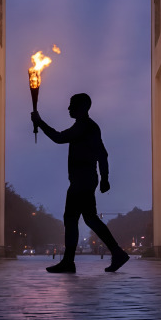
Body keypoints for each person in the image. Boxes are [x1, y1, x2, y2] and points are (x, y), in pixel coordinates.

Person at [32, 92, 129, 273]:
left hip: (81, 181)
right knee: (90, 219)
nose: (68, 108)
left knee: (71, 219)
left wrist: (40, 122)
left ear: (82, 108)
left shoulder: (84, 127)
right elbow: (103, 154)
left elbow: (59, 138)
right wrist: (104, 178)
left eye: (72, 105)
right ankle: (117, 253)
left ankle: (70, 261)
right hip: (87, 179)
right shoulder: (89, 127)